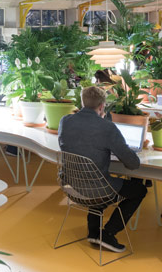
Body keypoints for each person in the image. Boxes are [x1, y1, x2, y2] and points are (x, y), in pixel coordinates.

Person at [57, 85, 147, 253]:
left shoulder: (65, 121)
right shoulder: (107, 127)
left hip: (69, 186)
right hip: (96, 191)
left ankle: (94, 232)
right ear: (102, 106)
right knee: (139, 190)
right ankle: (107, 233)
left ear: (82, 102)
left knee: (97, 180)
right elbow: (133, 164)